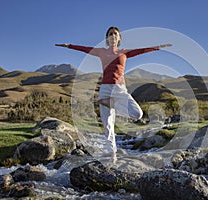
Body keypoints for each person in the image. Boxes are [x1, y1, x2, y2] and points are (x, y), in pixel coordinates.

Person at [56, 26, 172, 163]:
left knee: (137, 114)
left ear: (119, 38)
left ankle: (110, 103)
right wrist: (69, 46)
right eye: (110, 34)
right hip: (105, 89)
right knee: (108, 125)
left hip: (120, 89)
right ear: (107, 38)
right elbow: (84, 49)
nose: (113, 36)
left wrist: (158, 47)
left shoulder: (124, 52)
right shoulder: (101, 52)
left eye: (115, 34)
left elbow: (142, 51)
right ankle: (112, 156)